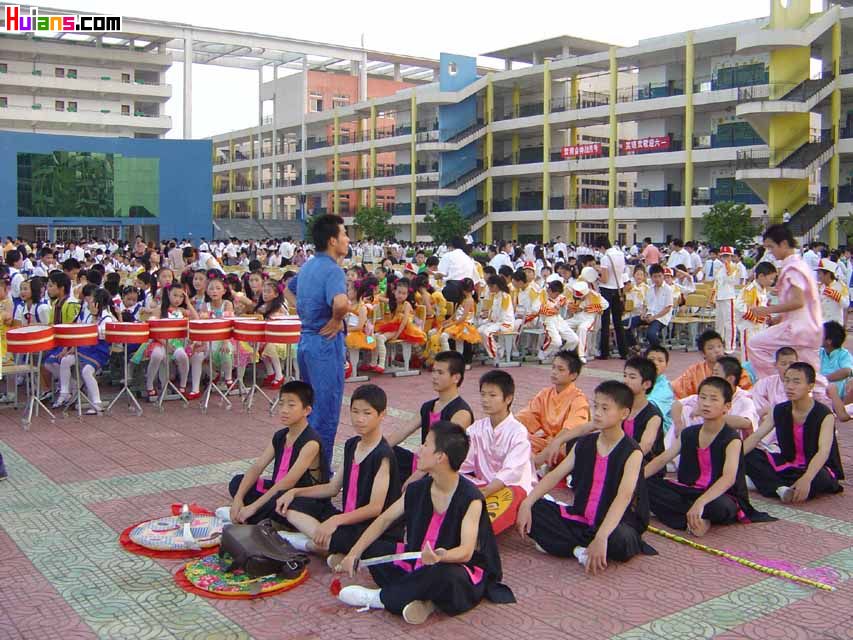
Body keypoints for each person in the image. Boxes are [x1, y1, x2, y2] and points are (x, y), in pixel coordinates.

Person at [335, 421, 515, 622]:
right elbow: (384, 520)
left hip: (449, 566)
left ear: (440, 457)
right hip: (418, 559)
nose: (420, 449)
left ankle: (380, 598)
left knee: (443, 576)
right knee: (374, 549)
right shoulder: (417, 489)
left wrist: (440, 556)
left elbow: (465, 551)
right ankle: (424, 601)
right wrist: (354, 552)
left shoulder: (470, 498)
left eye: (426, 445)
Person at [517, 380, 656, 572]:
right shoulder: (585, 443)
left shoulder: (632, 451)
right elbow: (555, 474)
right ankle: (577, 550)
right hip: (581, 516)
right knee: (532, 509)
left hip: (616, 524)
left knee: (621, 541)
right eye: (596, 406)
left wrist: (602, 536)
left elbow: (624, 497)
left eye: (605, 408)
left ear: (624, 413)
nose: (597, 412)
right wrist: (527, 502)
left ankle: (564, 543)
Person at [276, 384, 401, 561]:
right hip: (346, 519)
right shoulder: (352, 445)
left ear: (382, 415)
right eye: (355, 412)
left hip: (370, 529)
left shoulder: (383, 455)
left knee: (341, 537)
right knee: (291, 503)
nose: (359, 419)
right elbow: (333, 487)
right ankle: (325, 544)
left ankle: (311, 544)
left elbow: (375, 508)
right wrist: (294, 492)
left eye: (367, 413)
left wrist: (336, 521)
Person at [644, 377, 774, 536]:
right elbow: (663, 458)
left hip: (720, 496)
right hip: (690, 490)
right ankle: (695, 518)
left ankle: (694, 515)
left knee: (722, 507)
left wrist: (700, 502)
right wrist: (634, 480)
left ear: (727, 406)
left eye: (713, 399)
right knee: (647, 486)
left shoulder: (731, 438)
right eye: (703, 398)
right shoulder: (689, 433)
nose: (706, 403)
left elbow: (728, 479)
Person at [285, 214, 350, 464]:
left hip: (306, 341)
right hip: (325, 344)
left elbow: (289, 290)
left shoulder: (310, 265)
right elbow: (341, 302)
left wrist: (303, 312)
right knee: (326, 410)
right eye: (344, 234)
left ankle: (303, 464)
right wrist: (335, 320)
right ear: (333, 240)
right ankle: (319, 469)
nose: (347, 239)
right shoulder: (333, 270)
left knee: (309, 409)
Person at [222, 381, 329, 524]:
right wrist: (238, 498)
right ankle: (256, 515)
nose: (284, 410)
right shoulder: (280, 436)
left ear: (306, 411)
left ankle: (256, 516)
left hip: (299, 498)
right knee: (238, 482)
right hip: (276, 491)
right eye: (281, 403)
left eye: (291, 405)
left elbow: (288, 482)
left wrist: (254, 506)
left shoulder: (311, 443)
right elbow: (258, 467)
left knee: (282, 505)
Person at [744, 362, 843, 503]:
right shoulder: (779, 409)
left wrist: (807, 478)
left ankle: (764, 483)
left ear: (810, 386)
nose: (789, 386)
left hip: (816, 468)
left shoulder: (824, 414)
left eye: (796, 382)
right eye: (787, 381)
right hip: (788, 464)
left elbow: (823, 452)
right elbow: (756, 436)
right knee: (749, 455)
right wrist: (731, 460)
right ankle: (781, 489)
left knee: (820, 478)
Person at [460, 370, 537, 534]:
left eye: (492, 395)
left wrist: (485, 492)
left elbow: (511, 471)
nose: (485, 400)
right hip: (484, 484)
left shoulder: (518, 432)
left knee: (506, 499)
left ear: (508, 398)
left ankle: (476, 538)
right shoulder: (476, 429)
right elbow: (463, 463)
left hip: (511, 488)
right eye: (483, 394)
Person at [749, 225, 823, 384]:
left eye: (771, 247)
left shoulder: (793, 268)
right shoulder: (799, 265)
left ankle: (778, 383)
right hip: (809, 328)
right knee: (811, 377)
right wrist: (779, 318)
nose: (770, 252)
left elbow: (798, 301)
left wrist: (767, 310)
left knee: (755, 345)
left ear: (783, 244)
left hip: (797, 328)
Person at [389, 350, 474, 483]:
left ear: (456, 378)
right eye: (433, 371)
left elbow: (444, 453)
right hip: (420, 464)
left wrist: (414, 479)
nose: (434, 376)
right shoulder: (428, 406)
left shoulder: (461, 413)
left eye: (440, 373)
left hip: (438, 472)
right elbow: (402, 432)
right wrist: (374, 447)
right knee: (381, 452)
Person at [517, 350, 590, 465]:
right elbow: (526, 417)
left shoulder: (578, 399)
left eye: (560, 369)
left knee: (566, 448)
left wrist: (543, 455)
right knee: (518, 439)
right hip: (546, 442)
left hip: (564, 445)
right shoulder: (545, 394)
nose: (554, 372)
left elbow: (570, 431)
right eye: (553, 368)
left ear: (573, 375)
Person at [675, 356, 759, 435]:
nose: (712, 377)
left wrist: (708, 415)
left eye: (716, 373)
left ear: (730, 379)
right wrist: (678, 424)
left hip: (733, 445)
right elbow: (677, 404)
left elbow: (746, 423)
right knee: (686, 410)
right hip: (704, 440)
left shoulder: (744, 399)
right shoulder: (709, 392)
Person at [671, 330, 751, 399]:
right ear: (703, 353)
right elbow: (678, 389)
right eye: (710, 348)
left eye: (719, 346)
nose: (717, 350)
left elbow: (746, 391)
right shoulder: (694, 371)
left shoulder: (734, 367)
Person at [734, 261, 776, 363]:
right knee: (748, 354)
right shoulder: (750, 289)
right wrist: (755, 316)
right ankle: (748, 376)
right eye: (771, 278)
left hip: (759, 326)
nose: (772, 281)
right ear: (761, 276)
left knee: (758, 353)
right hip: (749, 326)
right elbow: (739, 306)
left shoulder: (762, 289)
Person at [751, 347, 799, 422]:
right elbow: (757, 407)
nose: (788, 367)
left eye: (792, 364)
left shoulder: (803, 384)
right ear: (775, 365)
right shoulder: (765, 383)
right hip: (768, 422)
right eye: (783, 364)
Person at [566, 280, 608, 364]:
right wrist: (573, 307)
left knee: (582, 329)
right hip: (576, 317)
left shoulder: (595, 295)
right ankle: (563, 350)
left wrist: (587, 308)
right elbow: (569, 303)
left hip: (588, 318)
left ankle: (581, 355)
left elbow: (606, 304)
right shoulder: (573, 293)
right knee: (561, 325)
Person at [537, 280, 578, 361]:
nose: (557, 296)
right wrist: (554, 309)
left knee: (574, 339)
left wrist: (571, 305)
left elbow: (566, 301)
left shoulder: (560, 297)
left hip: (558, 319)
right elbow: (539, 309)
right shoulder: (541, 295)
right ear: (549, 290)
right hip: (547, 320)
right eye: (556, 294)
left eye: (558, 294)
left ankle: (562, 355)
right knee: (556, 342)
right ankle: (543, 352)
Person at [478, 275, 515, 362]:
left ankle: (495, 354)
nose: (489, 288)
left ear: (495, 286)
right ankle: (497, 349)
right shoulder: (494, 296)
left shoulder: (505, 296)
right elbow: (492, 311)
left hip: (505, 323)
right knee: (479, 331)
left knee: (487, 332)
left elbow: (502, 313)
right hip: (496, 322)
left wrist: (490, 320)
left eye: (490, 286)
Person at [713, 246, 740, 354]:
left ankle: (730, 347)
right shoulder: (719, 268)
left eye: (727, 256)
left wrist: (728, 265)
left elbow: (732, 280)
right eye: (723, 256)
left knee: (730, 323)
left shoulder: (734, 267)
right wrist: (713, 297)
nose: (725, 258)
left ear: (731, 256)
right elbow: (716, 283)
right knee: (719, 323)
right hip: (719, 297)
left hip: (729, 297)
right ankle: (718, 346)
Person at [646, 345, 675, 438]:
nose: (655, 363)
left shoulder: (665, 389)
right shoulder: (640, 381)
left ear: (666, 364)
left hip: (661, 436)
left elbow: (649, 410)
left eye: (660, 360)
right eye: (651, 359)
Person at [642, 264, 674, 348]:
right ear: (651, 277)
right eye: (655, 277)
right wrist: (643, 314)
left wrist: (654, 317)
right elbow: (645, 304)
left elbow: (667, 308)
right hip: (649, 315)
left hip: (661, 318)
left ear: (663, 276)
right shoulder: (650, 289)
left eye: (660, 276)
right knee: (625, 325)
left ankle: (658, 349)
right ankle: (634, 346)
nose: (657, 279)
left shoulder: (668, 289)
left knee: (651, 333)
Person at [819, 320, 852, 398]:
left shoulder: (844, 354)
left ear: (829, 341)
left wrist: (823, 380)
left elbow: (847, 371)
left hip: (836, 397)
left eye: (820, 334)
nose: (817, 335)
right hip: (819, 393)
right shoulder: (819, 352)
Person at [817, 259, 847, 326]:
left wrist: (835, 295)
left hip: (835, 324)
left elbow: (846, 304)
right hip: (822, 324)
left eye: (820, 273)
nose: (818, 276)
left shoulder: (840, 286)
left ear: (828, 274)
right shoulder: (819, 286)